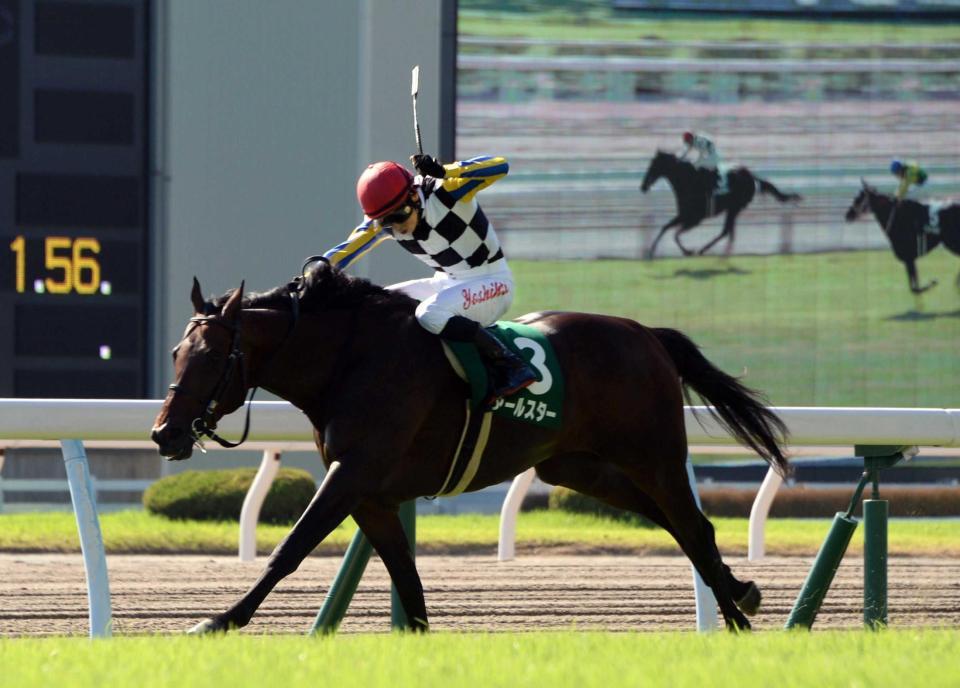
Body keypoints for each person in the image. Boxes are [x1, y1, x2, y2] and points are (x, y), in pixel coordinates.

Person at [320, 153, 537, 405]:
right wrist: (311, 274)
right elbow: (342, 254)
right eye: (386, 223)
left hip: (492, 282)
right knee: (378, 305)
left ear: (414, 195)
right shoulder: (383, 220)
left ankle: (509, 363)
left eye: (399, 216)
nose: (396, 228)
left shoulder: (448, 190)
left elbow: (500, 166)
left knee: (429, 314)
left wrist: (446, 171)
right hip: (448, 281)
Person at [680, 131, 727, 195]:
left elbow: (701, 155)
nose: (688, 144)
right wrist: (679, 158)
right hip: (709, 154)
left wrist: (694, 162)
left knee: (696, 165)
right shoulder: (693, 140)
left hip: (713, 156)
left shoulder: (699, 141)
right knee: (695, 163)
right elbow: (686, 152)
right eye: (687, 142)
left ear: (690, 139)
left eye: (688, 142)